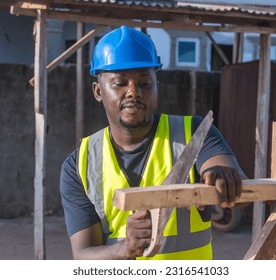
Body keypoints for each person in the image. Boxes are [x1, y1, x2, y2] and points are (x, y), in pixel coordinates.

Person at [60, 25, 246, 260]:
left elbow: (235, 179)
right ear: (98, 91)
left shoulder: (194, 133)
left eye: (145, 83)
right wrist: (124, 249)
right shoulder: (80, 164)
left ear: (157, 89)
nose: (133, 92)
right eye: (120, 83)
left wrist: (223, 175)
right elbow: (82, 256)